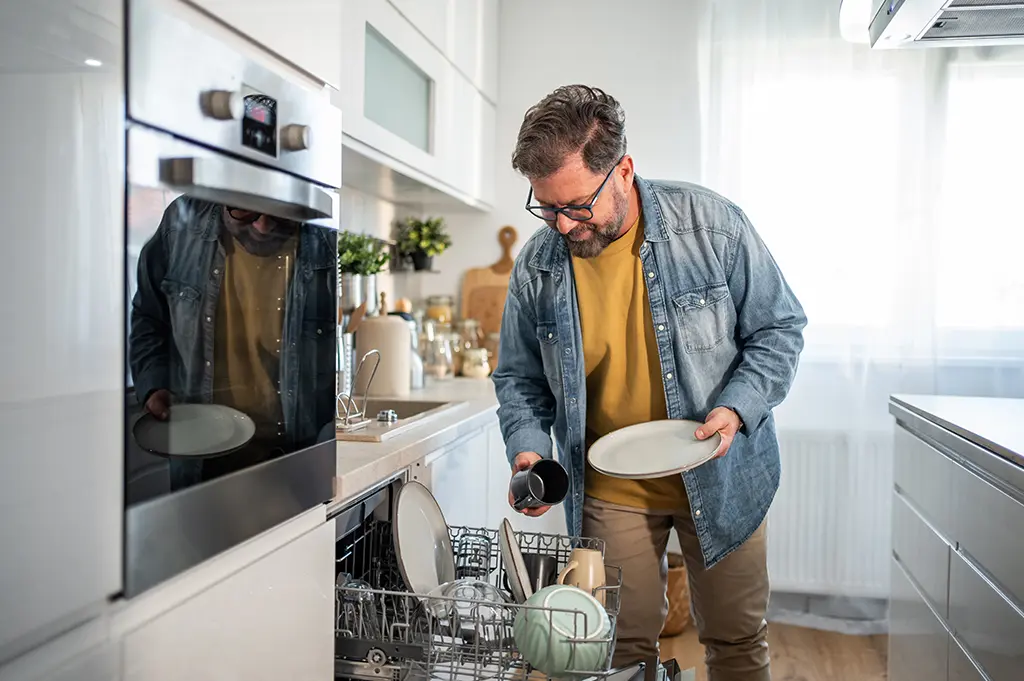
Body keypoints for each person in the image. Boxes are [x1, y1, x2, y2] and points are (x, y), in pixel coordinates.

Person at [492, 84, 806, 681]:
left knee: (737, 644)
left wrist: (737, 409)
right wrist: (528, 450)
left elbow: (780, 329)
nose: (561, 226)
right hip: (610, 484)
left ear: (624, 170)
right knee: (617, 651)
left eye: (576, 206)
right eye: (546, 207)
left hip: (722, 470)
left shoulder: (713, 228)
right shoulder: (537, 265)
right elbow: (518, 376)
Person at [129, 196, 337, 489]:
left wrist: (331, 442)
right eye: (245, 209)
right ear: (221, 194)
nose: (263, 226)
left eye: (280, 213)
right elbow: (149, 316)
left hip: (296, 463)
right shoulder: (181, 224)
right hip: (202, 466)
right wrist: (154, 383)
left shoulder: (325, 241)